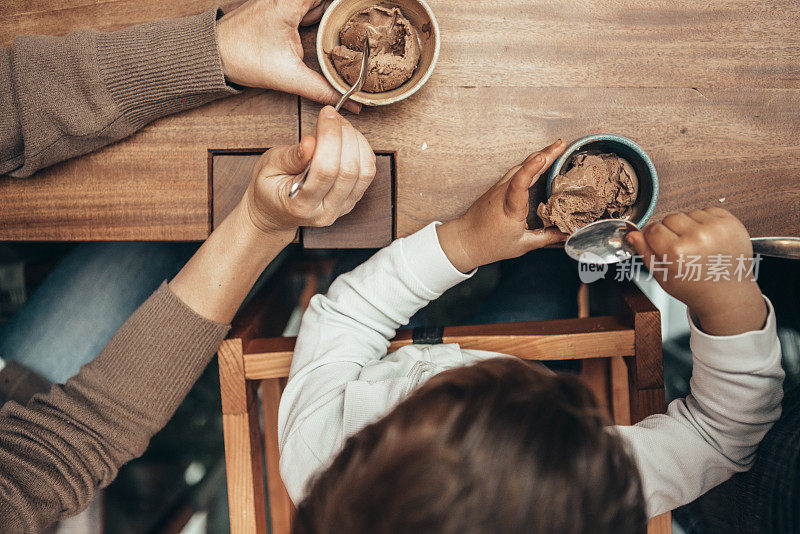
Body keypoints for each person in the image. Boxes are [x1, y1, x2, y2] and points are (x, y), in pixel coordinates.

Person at [278, 140, 784, 533]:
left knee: (370, 223)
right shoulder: (580, 490)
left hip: (376, 347)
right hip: (517, 340)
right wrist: (727, 299)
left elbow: (351, 316)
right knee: (550, 264)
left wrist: (464, 242)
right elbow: (721, 436)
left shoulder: (317, 456)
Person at [0, 0, 358, 387]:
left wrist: (214, 49)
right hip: (27, 403)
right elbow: (86, 427)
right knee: (193, 223)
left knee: (160, 234)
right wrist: (261, 225)